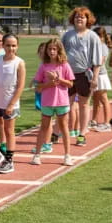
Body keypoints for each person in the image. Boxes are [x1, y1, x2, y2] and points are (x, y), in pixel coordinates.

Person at [0, 33, 26, 174]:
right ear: (3, 46)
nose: (11, 48)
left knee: (9, 131)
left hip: (10, 104)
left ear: (17, 46)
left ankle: (9, 160)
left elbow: (20, 86)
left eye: (13, 45)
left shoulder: (19, 63)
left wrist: (11, 104)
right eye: (8, 45)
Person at [62, 6, 102, 147]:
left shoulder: (92, 37)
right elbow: (61, 54)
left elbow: (97, 60)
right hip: (67, 75)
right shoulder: (67, 35)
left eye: (83, 17)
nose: (79, 19)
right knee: (65, 104)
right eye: (77, 16)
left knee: (84, 104)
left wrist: (95, 78)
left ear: (87, 20)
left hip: (84, 74)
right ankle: (60, 130)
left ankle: (82, 133)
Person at [31, 38, 74, 166]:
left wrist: (58, 79)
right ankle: (37, 155)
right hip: (47, 102)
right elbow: (38, 86)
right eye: (49, 49)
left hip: (62, 101)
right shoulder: (43, 66)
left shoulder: (64, 65)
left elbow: (71, 84)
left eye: (54, 49)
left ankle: (67, 156)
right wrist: (49, 83)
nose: (52, 51)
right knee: (44, 128)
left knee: (64, 128)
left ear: (59, 50)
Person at [30, 42, 54, 153]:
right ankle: (46, 142)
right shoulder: (43, 65)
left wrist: (38, 87)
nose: (41, 54)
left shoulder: (48, 65)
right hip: (41, 94)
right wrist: (33, 81)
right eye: (39, 52)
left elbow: (47, 80)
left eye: (42, 52)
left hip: (46, 95)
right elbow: (38, 77)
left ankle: (47, 143)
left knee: (47, 120)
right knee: (45, 119)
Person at [90, 26, 112, 132]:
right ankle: (94, 120)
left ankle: (107, 123)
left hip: (100, 75)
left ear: (102, 36)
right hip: (95, 74)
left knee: (104, 99)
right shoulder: (96, 46)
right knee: (95, 99)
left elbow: (100, 62)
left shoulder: (102, 47)